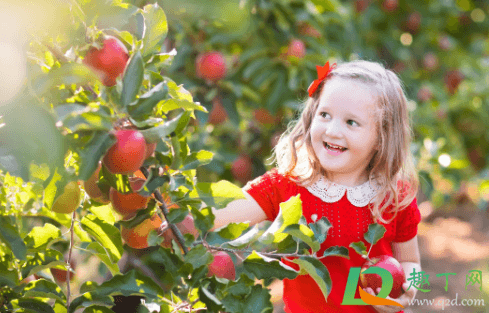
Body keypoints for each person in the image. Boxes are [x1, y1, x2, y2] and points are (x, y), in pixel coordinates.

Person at [167, 60, 422, 312]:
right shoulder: (289, 185)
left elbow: (410, 261)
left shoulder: (393, 196)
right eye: (325, 115)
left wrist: (405, 292)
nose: (332, 131)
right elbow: (216, 214)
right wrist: (169, 202)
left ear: (381, 137)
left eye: (351, 122)